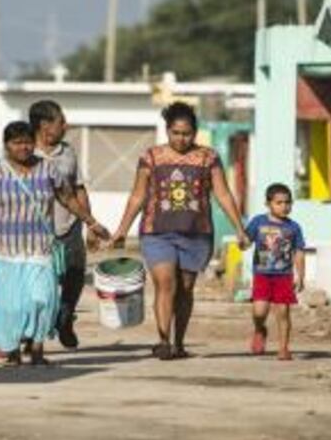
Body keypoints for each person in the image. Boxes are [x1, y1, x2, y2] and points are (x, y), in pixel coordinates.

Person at [0, 121, 109, 366]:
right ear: (6, 145)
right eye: (17, 143)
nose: (23, 148)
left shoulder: (48, 169)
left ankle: (37, 349)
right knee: (11, 306)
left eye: (27, 142)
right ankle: (13, 349)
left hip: (39, 248)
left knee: (42, 299)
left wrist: (91, 222)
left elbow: (68, 198)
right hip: (3, 250)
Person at [110, 102, 250, 360]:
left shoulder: (208, 157)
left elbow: (223, 193)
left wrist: (239, 229)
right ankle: (163, 341)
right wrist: (122, 229)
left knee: (185, 289)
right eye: (175, 133)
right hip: (156, 232)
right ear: (167, 131)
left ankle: (179, 342)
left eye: (186, 133)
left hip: (196, 232)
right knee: (166, 284)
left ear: (195, 132)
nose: (181, 139)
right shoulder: (151, 157)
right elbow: (138, 195)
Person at [29, 100, 92, 349]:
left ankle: (65, 319)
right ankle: (32, 335)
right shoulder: (25, 151)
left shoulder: (68, 152)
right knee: (38, 285)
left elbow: (78, 188)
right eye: (61, 122)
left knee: (74, 277)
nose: (66, 126)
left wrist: (90, 223)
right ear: (45, 126)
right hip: (35, 232)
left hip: (70, 226)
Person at [245, 183, 306, 361]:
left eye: (288, 203)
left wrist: (301, 275)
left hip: (284, 276)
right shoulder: (258, 222)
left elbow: (299, 252)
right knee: (259, 312)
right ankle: (259, 329)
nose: (284, 206)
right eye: (279, 203)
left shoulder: (294, 227)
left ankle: (284, 348)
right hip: (262, 274)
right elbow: (246, 241)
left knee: (283, 312)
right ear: (268, 203)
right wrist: (241, 241)